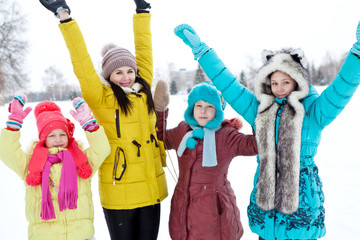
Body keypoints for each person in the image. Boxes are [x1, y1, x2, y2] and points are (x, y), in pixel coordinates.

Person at [174, 23, 360, 240]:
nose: (279, 88)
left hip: (300, 208)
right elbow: (228, 84)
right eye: (274, 83)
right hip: (266, 209)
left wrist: (357, 53)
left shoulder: (313, 111)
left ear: (297, 81)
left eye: (285, 82)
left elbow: (342, 88)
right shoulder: (259, 110)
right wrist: (202, 52)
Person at [37, 0, 168, 239]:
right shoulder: (100, 97)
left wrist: (142, 12)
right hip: (118, 191)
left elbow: (145, 52)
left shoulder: (143, 90)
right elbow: (82, 63)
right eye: (118, 72)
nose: (126, 77)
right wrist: (64, 16)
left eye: (130, 71)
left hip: (151, 189)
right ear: (109, 75)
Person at [153, 80, 258, 240]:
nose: (203, 111)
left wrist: (256, 110)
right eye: (198, 105)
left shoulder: (227, 135)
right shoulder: (182, 130)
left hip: (216, 214)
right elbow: (160, 139)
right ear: (192, 108)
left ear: (219, 109)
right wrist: (160, 111)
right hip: (183, 212)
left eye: (210, 106)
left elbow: (256, 145)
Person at [0, 95, 111, 240]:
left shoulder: (82, 161)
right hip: (46, 236)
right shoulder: (30, 164)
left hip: (81, 235)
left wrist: (88, 123)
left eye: (62, 134)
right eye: (51, 135)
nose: (58, 139)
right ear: (43, 138)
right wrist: (14, 124)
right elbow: (7, 151)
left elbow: (102, 149)